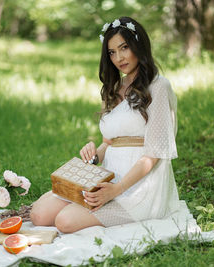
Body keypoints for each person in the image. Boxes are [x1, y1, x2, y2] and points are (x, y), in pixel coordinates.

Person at [30, 16, 180, 233]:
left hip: (137, 186)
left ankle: (111, 205)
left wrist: (116, 190)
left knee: (65, 222)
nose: (119, 57)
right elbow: (108, 143)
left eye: (124, 47)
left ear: (139, 45)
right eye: (112, 52)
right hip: (107, 175)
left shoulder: (158, 87)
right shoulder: (113, 88)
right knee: (38, 214)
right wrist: (94, 155)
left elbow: (154, 154)